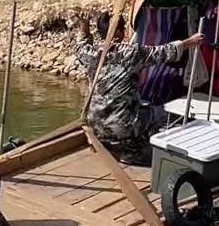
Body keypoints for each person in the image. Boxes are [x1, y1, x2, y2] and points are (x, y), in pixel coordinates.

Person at [76, 11, 204, 165]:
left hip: (96, 125)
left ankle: (123, 144)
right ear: (118, 32)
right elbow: (163, 52)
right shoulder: (131, 53)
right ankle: (134, 148)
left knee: (137, 108)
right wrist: (191, 41)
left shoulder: (91, 54)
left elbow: (81, 45)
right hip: (122, 125)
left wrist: (84, 26)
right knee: (162, 114)